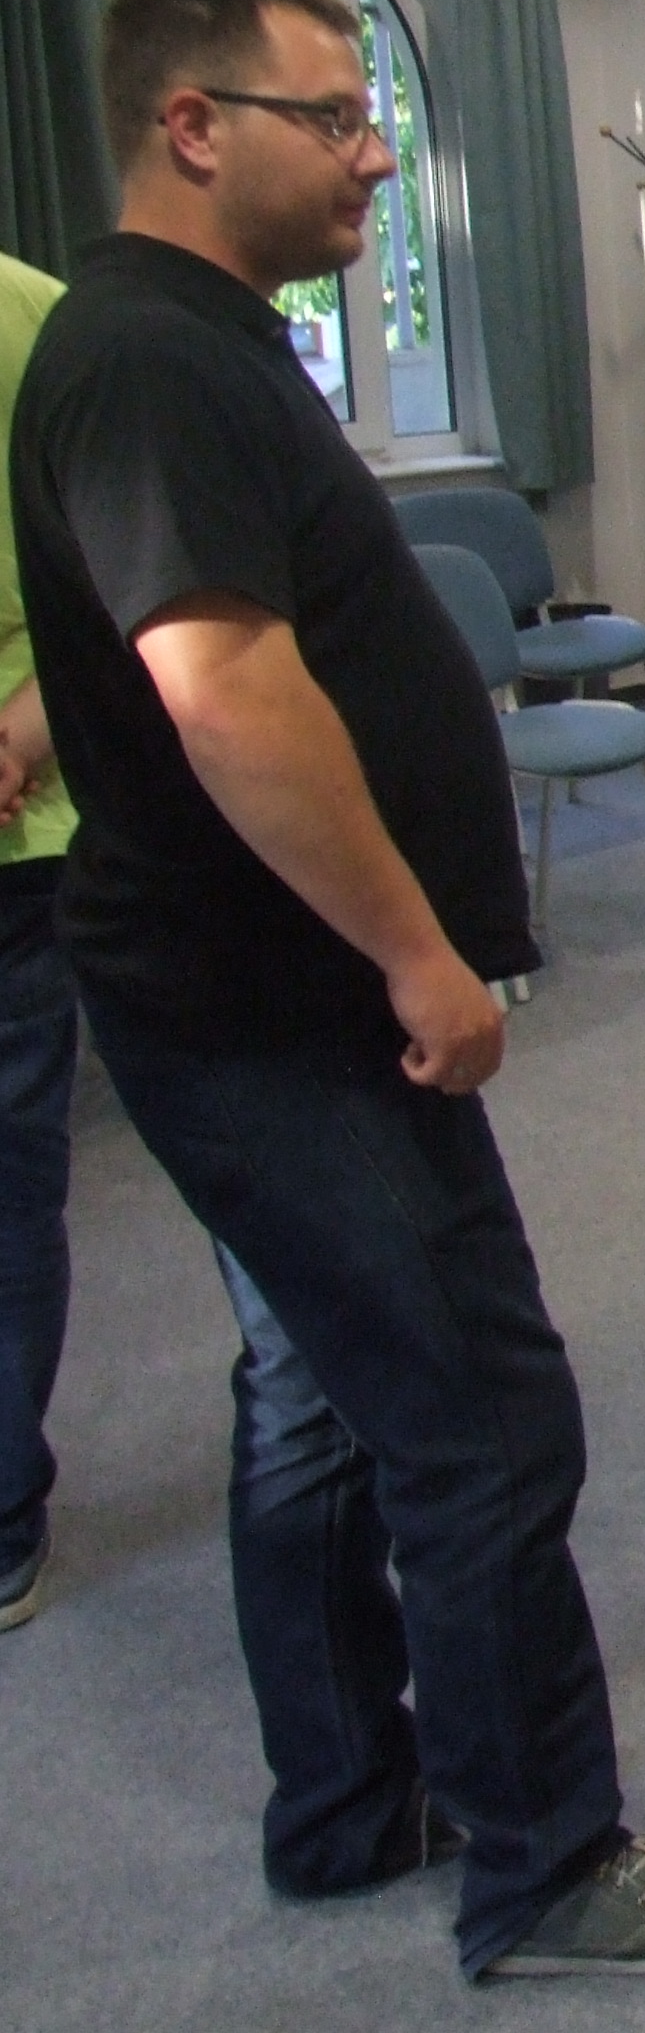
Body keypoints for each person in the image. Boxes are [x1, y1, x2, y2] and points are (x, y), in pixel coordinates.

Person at [12, 0, 645, 1978]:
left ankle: (351, 1806)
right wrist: (420, 953)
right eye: (335, 117)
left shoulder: (184, 341)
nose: (376, 156)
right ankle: (547, 1862)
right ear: (195, 128)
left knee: (321, 1406)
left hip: (247, 998)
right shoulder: (149, 359)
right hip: (281, 1014)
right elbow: (227, 694)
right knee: (480, 1418)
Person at [0, 251, 78, 1636]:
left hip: (22, 833)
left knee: (7, 1191)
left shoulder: (41, 321)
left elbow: (116, 573)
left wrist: (22, 728)